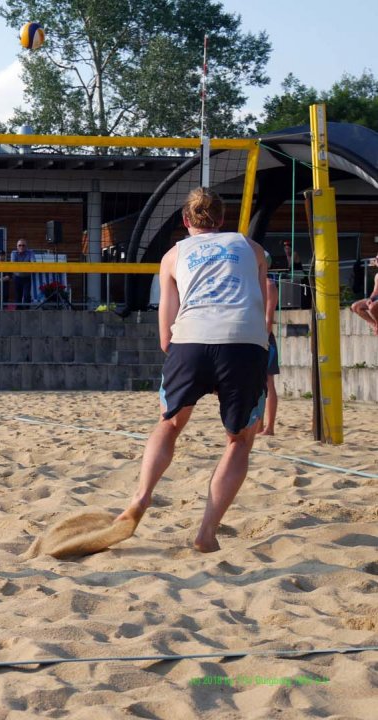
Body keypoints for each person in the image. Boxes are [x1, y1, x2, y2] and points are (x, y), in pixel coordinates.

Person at [116, 188, 268, 553]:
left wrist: (188, 355)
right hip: (244, 342)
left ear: (186, 222)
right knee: (239, 440)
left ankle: (141, 497)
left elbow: (165, 333)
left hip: (191, 341)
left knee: (169, 424)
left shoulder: (173, 254)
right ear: (223, 219)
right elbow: (260, 305)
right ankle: (206, 533)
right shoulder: (253, 248)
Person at [259, 253, 280, 436]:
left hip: (264, 338)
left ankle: (269, 427)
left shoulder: (268, 284)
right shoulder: (252, 283)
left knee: (267, 382)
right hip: (250, 337)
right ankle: (258, 425)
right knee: (255, 383)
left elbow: (268, 317)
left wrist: (262, 339)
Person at [350, 255, 378, 334]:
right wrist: (370, 299)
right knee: (355, 306)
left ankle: (377, 325)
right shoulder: (377, 276)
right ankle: (375, 325)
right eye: (376, 259)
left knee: (372, 307)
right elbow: (375, 291)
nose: (376, 261)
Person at [10, 238, 35, 308]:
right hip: (17, 277)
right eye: (19, 245)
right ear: (17, 246)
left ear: (26, 246)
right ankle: (18, 312)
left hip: (27, 277)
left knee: (27, 295)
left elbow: (34, 263)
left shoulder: (31, 252)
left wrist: (20, 266)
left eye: (23, 245)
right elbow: (13, 265)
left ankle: (27, 311)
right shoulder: (13, 253)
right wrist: (27, 265)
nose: (21, 247)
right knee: (18, 296)